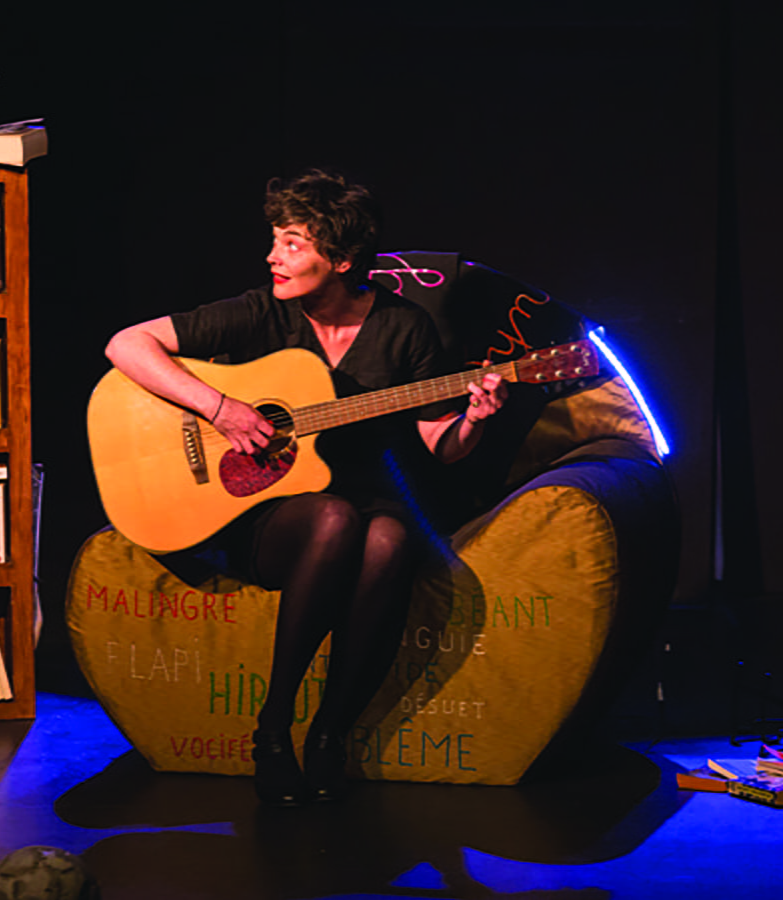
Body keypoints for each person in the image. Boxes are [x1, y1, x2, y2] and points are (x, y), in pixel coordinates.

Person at [104, 170, 507, 806]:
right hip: (269, 516)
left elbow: (441, 444)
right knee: (333, 519)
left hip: (364, 500)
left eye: (292, 244)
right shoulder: (261, 311)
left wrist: (474, 422)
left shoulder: (405, 329)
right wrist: (220, 408)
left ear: (341, 260)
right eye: (275, 240)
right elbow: (126, 344)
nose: (273, 256)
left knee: (389, 540)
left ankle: (329, 735)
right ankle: (271, 730)